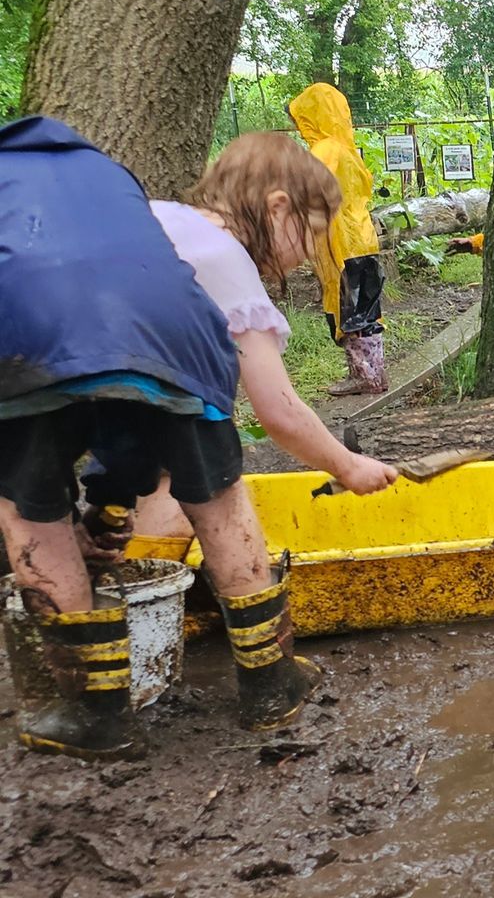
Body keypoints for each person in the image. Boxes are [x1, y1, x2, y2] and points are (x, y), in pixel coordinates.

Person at [0, 117, 323, 758]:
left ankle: (96, 713)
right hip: (177, 336)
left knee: (28, 507)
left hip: (23, 337)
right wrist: (110, 500)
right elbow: (130, 401)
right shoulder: (105, 176)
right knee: (220, 497)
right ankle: (271, 684)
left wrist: (80, 505)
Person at [119, 132, 398, 550]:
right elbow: (279, 410)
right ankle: (239, 601)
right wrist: (349, 466)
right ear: (278, 207)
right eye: (312, 233)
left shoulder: (159, 216)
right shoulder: (224, 257)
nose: (308, 253)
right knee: (205, 477)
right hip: (126, 392)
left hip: (51, 371)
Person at [288, 82, 389, 395]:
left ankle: (366, 377)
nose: (298, 126)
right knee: (366, 312)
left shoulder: (325, 152)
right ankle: (374, 375)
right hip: (362, 240)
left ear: (314, 116)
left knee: (351, 314)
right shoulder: (346, 150)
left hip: (341, 246)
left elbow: (305, 194)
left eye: (302, 118)